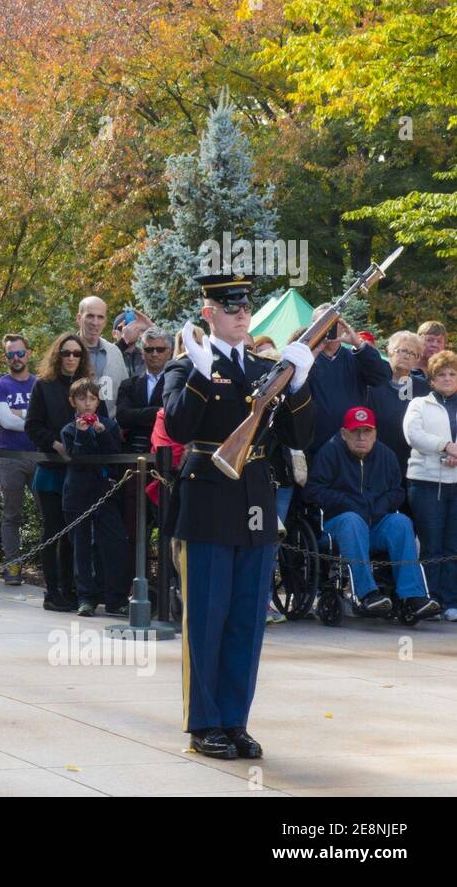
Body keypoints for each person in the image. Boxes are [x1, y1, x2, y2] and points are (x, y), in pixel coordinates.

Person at [163, 273, 315, 759]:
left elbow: (300, 436)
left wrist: (301, 385)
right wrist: (202, 376)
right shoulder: (186, 367)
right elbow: (181, 426)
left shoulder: (265, 367)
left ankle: (235, 720)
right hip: (207, 497)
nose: (240, 313)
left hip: (255, 497)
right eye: (228, 308)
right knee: (206, 616)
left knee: (248, 618)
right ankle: (204, 722)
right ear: (209, 314)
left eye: (245, 306)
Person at [305, 407, 440, 620]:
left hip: (375, 523)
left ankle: (413, 597)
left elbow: (397, 491)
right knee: (352, 520)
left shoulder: (386, 455)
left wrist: (379, 506)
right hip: (337, 526)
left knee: (401, 522)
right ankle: (366, 594)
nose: (361, 437)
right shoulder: (330, 452)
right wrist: (349, 503)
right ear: (343, 433)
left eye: (367, 431)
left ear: (375, 433)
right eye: (355, 431)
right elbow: (313, 490)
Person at [24, 333, 90, 611]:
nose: (71, 358)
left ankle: (71, 589)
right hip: (51, 470)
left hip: (79, 471)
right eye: (66, 353)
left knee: (75, 535)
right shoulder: (44, 386)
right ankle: (52, 592)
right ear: (57, 355)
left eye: (77, 353)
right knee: (53, 533)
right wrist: (55, 444)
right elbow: (32, 425)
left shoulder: (87, 386)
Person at [61, 377, 130, 616]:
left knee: (114, 545)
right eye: (82, 399)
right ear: (73, 402)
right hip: (78, 493)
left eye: (92, 398)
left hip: (105, 493)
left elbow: (113, 456)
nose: (88, 404)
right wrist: (82, 434)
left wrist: (100, 433)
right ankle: (86, 598)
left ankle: (115, 598)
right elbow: (76, 459)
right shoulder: (69, 430)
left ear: (98, 400)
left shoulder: (109, 425)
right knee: (81, 547)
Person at [403, 350, 457, 621]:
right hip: (425, 483)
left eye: (452, 374)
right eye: (441, 375)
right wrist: (444, 447)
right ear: (432, 380)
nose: (447, 379)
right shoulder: (419, 404)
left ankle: (450, 601)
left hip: (455, 482)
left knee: (453, 544)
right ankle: (430, 598)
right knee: (431, 543)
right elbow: (413, 434)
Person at [306, 305, 391, 456]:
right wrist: (312, 352)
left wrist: (358, 344)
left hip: (351, 446)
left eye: (333, 323)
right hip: (314, 446)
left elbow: (381, 377)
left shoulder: (357, 358)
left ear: (343, 325)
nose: (328, 328)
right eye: (321, 323)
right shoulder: (308, 360)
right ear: (313, 327)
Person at [0, 334, 37, 587]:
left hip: (39, 456)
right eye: (10, 355)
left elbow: (46, 421)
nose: (16, 358)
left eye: (20, 353)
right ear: (5, 357)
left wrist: (20, 413)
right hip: (9, 457)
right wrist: (33, 419)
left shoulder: (40, 384)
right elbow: (5, 421)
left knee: (48, 511)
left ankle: (53, 564)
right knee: (12, 514)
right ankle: (12, 565)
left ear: (29, 353)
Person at [368, 330, 430, 487]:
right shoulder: (372, 381)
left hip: (410, 463)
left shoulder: (423, 388)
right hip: (375, 459)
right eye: (402, 350)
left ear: (417, 359)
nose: (406, 356)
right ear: (389, 351)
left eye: (412, 353)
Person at [115, 326, 170, 453]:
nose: (155, 354)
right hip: (133, 452)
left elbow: (176, 417)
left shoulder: (177, 383)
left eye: (160, 350)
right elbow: (123, 417)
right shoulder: (128, 384)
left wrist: (138, 416)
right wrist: (160, 411)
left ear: (169, 352)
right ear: (142, 353)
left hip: (166, 453)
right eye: (149, 349)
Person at [75, 296, 128, 416]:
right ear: (79, 318)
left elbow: (124, 393)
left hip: (108, 430)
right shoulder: (68, 352)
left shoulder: (114, 352)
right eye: (90, 316)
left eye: (100, 317)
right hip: (74, 429)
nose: (95, 322)